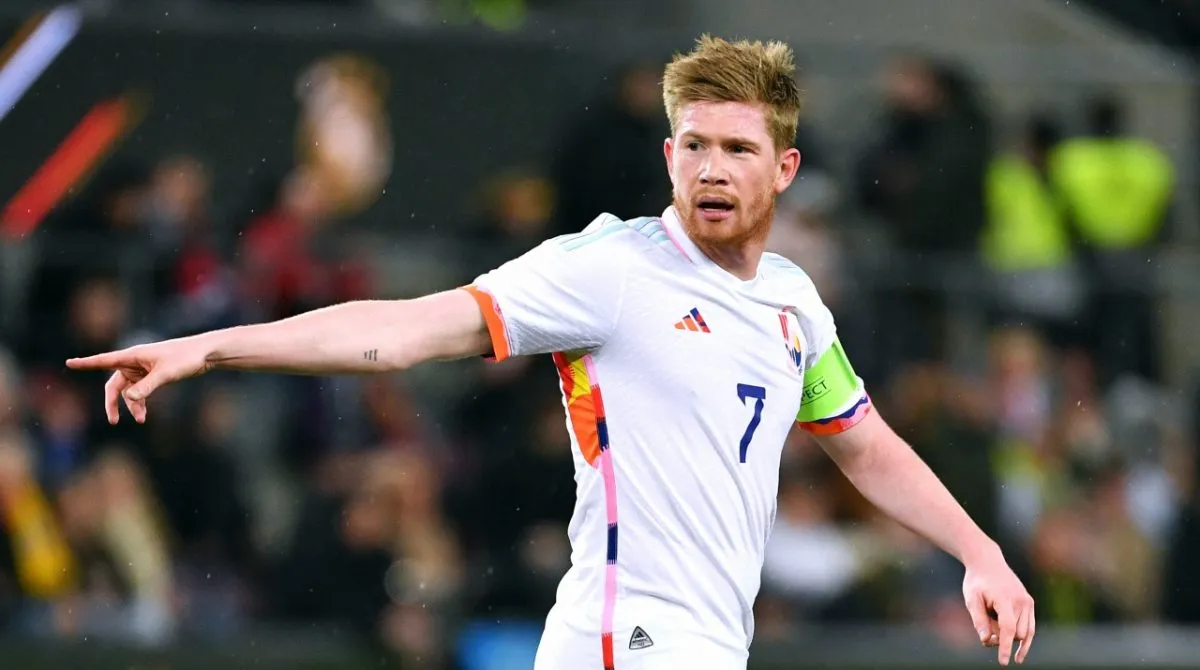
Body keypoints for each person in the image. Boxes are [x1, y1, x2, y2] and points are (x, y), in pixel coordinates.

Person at [66, 36, 1034, 669]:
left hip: (707, 643)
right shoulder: (611, 269)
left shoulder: (792, 305)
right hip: (623, 640)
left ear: (784, 168)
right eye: (694, 145)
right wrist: (212, 348)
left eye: (738, 150)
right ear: (668, 156)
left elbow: (863, 444)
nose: (712, 168)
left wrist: (979, 551)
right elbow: (405, 332)